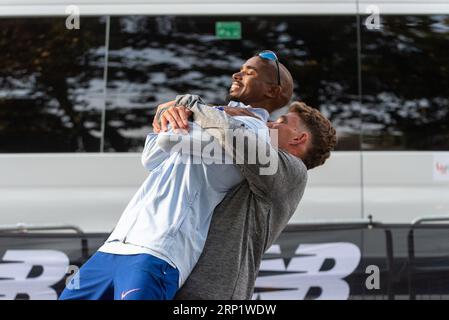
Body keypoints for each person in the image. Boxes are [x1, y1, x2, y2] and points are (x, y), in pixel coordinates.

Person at [59, 51, 298, 300]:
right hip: (114, 245)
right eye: (241, 68)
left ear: (271, 91)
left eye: (250, 72)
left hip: (160, 251)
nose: (237, 74)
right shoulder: (218, 117)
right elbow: (150, 156)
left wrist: (187, 110)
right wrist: (191, 113)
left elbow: (168, 138)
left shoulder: (256, 132)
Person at [156, 97, 337, 300]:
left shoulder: (292, 169)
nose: (269, 123)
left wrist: (193, 106)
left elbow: (232, 133)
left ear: (298, 139)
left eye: (282, 122)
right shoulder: (257, 166)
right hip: (185, 282)